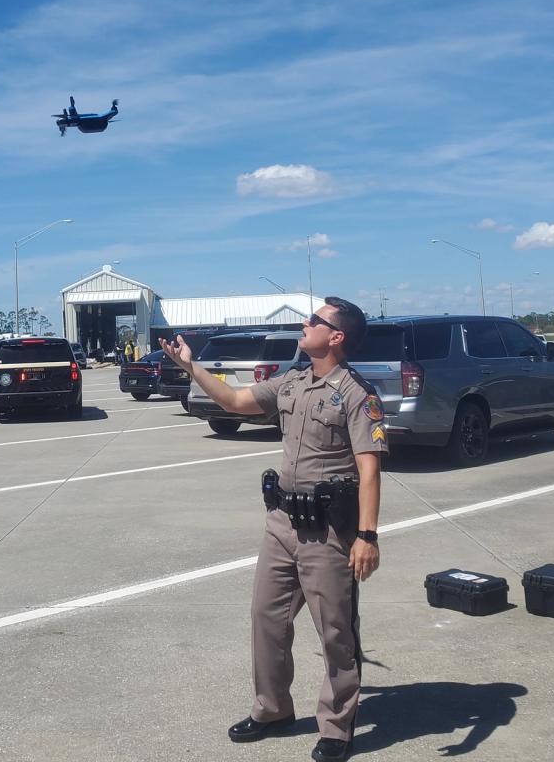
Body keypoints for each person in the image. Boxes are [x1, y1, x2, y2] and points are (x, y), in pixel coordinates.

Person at [161, 297, 387, 762]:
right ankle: (272, 709)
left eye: (314, 321)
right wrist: (190, 366)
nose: (304, 324)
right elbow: (235, 401)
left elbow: (369, 471)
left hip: (329, 532)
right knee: (267, 621)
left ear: (335, 336)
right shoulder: (292, 381)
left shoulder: (356, 394)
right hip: (282, 523)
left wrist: (367, 536)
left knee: (335, 632)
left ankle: (336, 727)